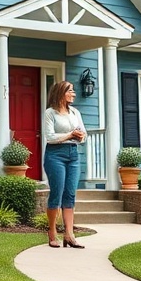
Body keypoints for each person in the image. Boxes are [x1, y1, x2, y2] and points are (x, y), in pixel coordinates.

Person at [42, 80, 86, 249]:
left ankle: (69, 234)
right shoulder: (50, 113)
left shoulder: (75, 112)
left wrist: (80, 137)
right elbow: (50, 137)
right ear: (61, 93)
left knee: (70, 194)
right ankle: (52, 232)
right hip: (55, 155)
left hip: (73, 155)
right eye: (70, 91)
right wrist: (69, 135)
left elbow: (84, 134)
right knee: (57, 193)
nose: (73, 93)